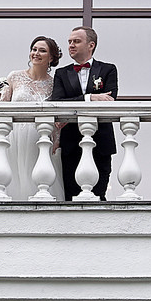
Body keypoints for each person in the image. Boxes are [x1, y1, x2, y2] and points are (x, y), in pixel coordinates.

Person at [0, 36, 61, 198]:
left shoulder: (56, 83)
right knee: (10, 179)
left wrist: (56, 141)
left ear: (51, 57)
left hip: (40, 137)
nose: (36, 53)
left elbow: (56, 117)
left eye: (42, 50)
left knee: (38, 181)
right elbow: (3, 106)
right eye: (34, 49)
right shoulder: (14, 77)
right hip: (14, 135)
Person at [51, 25, 118, 200]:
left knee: (99, 195)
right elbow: (57, 103)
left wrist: (78, 100)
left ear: (91, 45)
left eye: (76, 41)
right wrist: (90, 98)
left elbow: (110, 101)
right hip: (71, 143)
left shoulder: (108, 69)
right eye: (70, 42)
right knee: (71, 195)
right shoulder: (61, 73)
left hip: (101, 141)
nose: (71, 45)